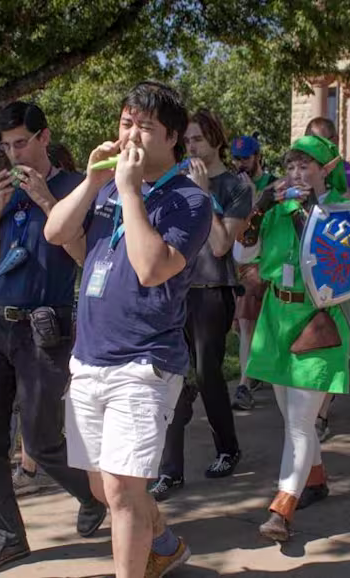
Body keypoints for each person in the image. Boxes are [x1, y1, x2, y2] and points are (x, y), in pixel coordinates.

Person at [44, 81, 212, 578]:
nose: (131, 135)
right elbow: (56, 232)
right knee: (103, 487)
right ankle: (161, 541)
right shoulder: (107, 186)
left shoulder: (189, 201)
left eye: (145, 126)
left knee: (121, 490)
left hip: (145, 364)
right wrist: (95, 182)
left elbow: (150, 268)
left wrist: (130, 190)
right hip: (90, 356)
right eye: (125, 123)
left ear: (173, 138)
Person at [0, 103, 107, 578]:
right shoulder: (4, 192)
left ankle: (90, 494)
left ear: (44, 137)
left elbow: (85, 256)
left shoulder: (73, 189)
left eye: (20, 142)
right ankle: (7, 538)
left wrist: (47, 201)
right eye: (5, 146)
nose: (12, 153)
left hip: (45, 328)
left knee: (42, 443)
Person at [235, 134, 350, 541]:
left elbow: (328, 260)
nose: (296, 174)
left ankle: (283, 507)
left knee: (300, 422)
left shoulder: (339, 211)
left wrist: (303, 212)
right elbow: (242, 254)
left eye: (305, 166)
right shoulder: (276, 208)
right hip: (275, 316)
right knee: (290, 417)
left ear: (323, 172)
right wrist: (262, 206)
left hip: (316, 320)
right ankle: (315, 478)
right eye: (291, 166)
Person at [149, 110, 249, 502]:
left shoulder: (235, 186)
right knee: (168, 377)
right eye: (186, 140)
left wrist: (204, 191)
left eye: (197, 140)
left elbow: (223, 244)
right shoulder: (174, 184)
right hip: (176, 288)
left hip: (212, 289)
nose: (190, 147)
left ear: (216, 141)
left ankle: (228, 448)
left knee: (207, 373)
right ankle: (169, 471)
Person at [303, 117, 350, 440]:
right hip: (307, 271)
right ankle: (309, 411)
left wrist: (329, 182)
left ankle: (320, 414)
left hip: (343, 271)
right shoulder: (298, 174)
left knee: (333, 344)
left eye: (321, 145)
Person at [231, 134, 275, 410]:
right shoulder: (234, 184)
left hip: (265, 262)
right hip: (240, 262)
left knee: (253, 325)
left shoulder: (271, 185)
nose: (241, 164)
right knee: (243, 325)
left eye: (246, 158)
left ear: (257, 156)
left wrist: (253, 197)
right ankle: (249, 378)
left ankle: (248, 382)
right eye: (237, 159)